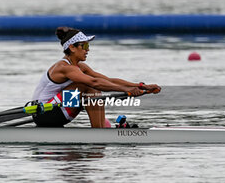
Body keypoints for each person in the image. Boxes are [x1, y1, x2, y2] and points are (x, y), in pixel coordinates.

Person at [32, 27, 161, 128]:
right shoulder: (63, 67)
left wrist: (139, 86)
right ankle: (98, 132)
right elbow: (94, 82)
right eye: (85, 46)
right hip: (43, 113)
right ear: (72, 47)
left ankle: (100, 129)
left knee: (93, 90)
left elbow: (108, 80)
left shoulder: (81, 67)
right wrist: (125, 91)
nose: (88, 50)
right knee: (88, 86)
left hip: (59, 110)